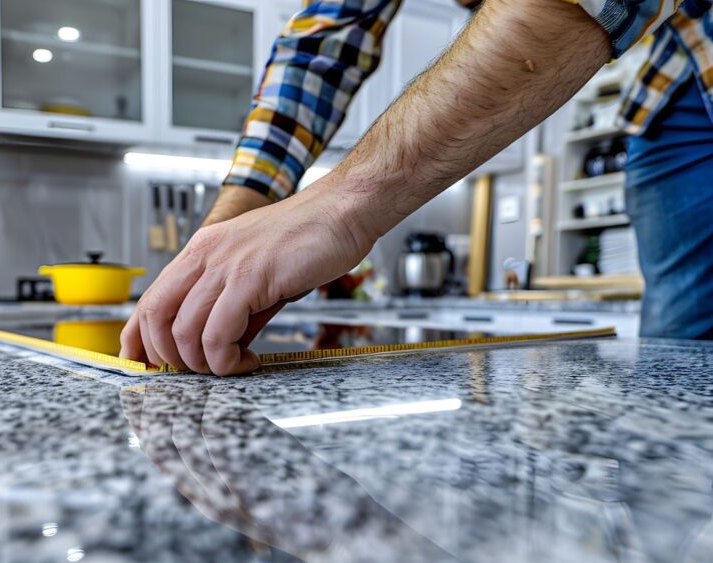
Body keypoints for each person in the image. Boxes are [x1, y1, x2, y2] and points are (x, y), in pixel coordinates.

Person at [120, 0, 713, 376]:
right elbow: (317, 49)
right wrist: (218, 243)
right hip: (669, 87)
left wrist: (340, 207)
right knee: (683, 356)